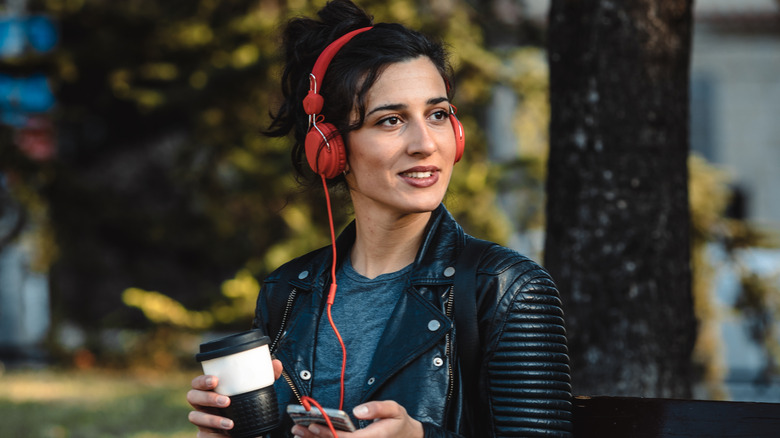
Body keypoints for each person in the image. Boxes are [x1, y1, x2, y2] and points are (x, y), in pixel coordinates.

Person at [187, 1, 572, 436]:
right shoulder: (287, 292)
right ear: (329, 149)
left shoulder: (506, 289)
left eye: (438, 114)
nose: (425, 143)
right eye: (391, 120)